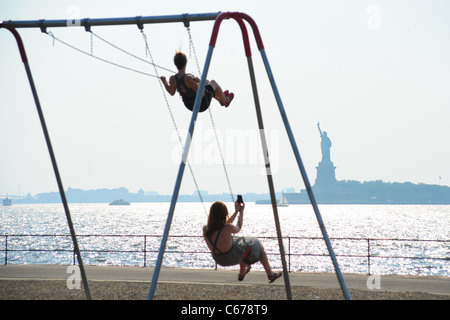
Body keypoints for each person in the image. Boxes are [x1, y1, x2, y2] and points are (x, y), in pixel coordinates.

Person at [202, 199, 282, 283]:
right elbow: (238, 227)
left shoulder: (205, 229)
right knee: (256, 246)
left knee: (241, 247)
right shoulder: (229, 228)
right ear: (224, 214)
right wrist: (241, 212)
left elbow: (224, 225)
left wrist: (236, 212)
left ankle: (242, 274)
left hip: (219, 260)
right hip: (233, 257)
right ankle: (270, 274)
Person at [161, 52, 234, 113]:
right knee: (213, 83)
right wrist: (199, 81)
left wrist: (164, 82)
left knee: (207, 82)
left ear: (175, 64)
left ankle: (220, 98)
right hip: (200, 105)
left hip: (188, 105)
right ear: (185, 63)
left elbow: (171, 92)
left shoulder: (173, 78)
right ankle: (225, 101)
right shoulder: (188, 79)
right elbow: (201, 93)